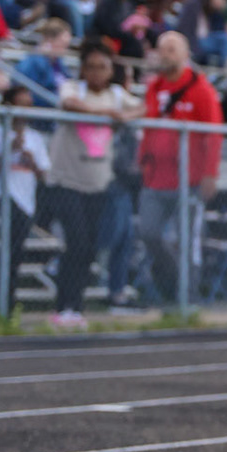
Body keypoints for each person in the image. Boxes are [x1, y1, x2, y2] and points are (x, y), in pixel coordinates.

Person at [47, 41, 139, 324]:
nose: (97, 73)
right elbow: (68, 103)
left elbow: (143, 108)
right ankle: (63, 306)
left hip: (98, 183)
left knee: (89, 247)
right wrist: (108, 114)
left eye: (103, 67)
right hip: (67, 180)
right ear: (83, 70)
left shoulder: (116, 94)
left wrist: (123, 114)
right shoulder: (74, 88)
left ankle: (76, 306)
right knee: (76, 241)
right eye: (92, 67)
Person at [132, 32, 222, 306]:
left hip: (189, 179)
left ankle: (188, 297)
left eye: (171, 49)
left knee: (187, 240)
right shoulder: (155, 87)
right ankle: (172, 284)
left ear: (185, 54)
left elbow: (214, 134)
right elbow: (148, 126)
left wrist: (210, 173)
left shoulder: (201, 88)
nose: (166, 55)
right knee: (148, 232)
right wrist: (142, 159)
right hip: (156, 177)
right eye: (162, 49)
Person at [0, 87, 51, 299]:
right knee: (12, 243)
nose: (24, 111)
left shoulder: (34, 138)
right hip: (1, 195)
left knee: (16, 250)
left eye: (28, 106)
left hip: (26, 199)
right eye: (20, 105)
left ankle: (1, 292)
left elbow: (44, 175)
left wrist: (32, 162)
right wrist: (8, 150)